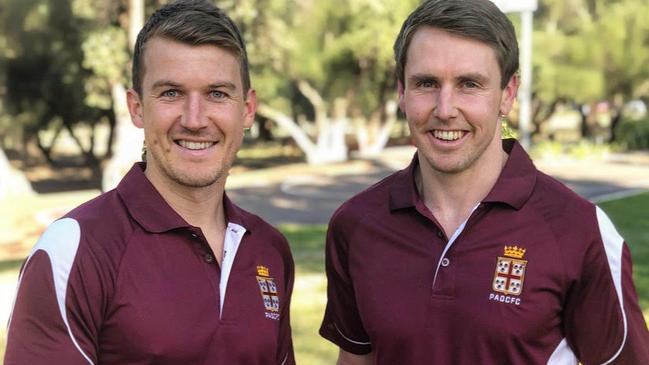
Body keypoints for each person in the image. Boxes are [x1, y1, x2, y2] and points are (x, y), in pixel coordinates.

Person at [319, 0, 649, 364]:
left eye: (469, 84)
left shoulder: (578, 230)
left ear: (507, 94)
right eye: (426, 83)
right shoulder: (357, 225)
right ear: (401, 91)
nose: (445, 109)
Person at [4, 1, 295, 364]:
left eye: (217, 93)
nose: (194, 119)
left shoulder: (270, 249)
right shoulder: (75, 248)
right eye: (171, 93)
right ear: (137, 107)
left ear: (247, 109)